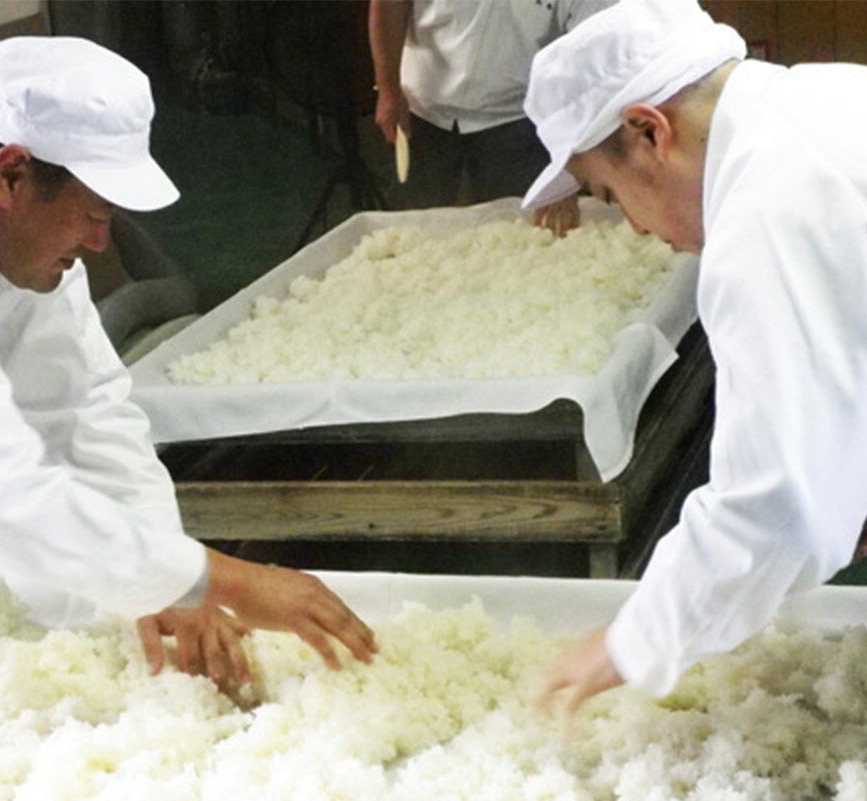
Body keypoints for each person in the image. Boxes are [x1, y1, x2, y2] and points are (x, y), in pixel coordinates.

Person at [0, 35, 376, 687]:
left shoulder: (19, 244)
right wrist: (223, 578)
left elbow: (86, 413)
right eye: (93, 214)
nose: (100, 242)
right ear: (11, 174)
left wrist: (164, 579)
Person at [521, 0, 867, 716]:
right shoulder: (829, 96)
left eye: (611, 196)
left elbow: (778, 509)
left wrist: (633, 640)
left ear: (650, 130)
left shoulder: (764, 217)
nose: (641, 229)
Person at [368, 0, 612, 233]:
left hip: (518, 117)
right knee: (415, 226)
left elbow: (590, 62)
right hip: (424, 106)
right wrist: (388, 89)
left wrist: (566, 168)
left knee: (514, 233)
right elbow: (390, 5)